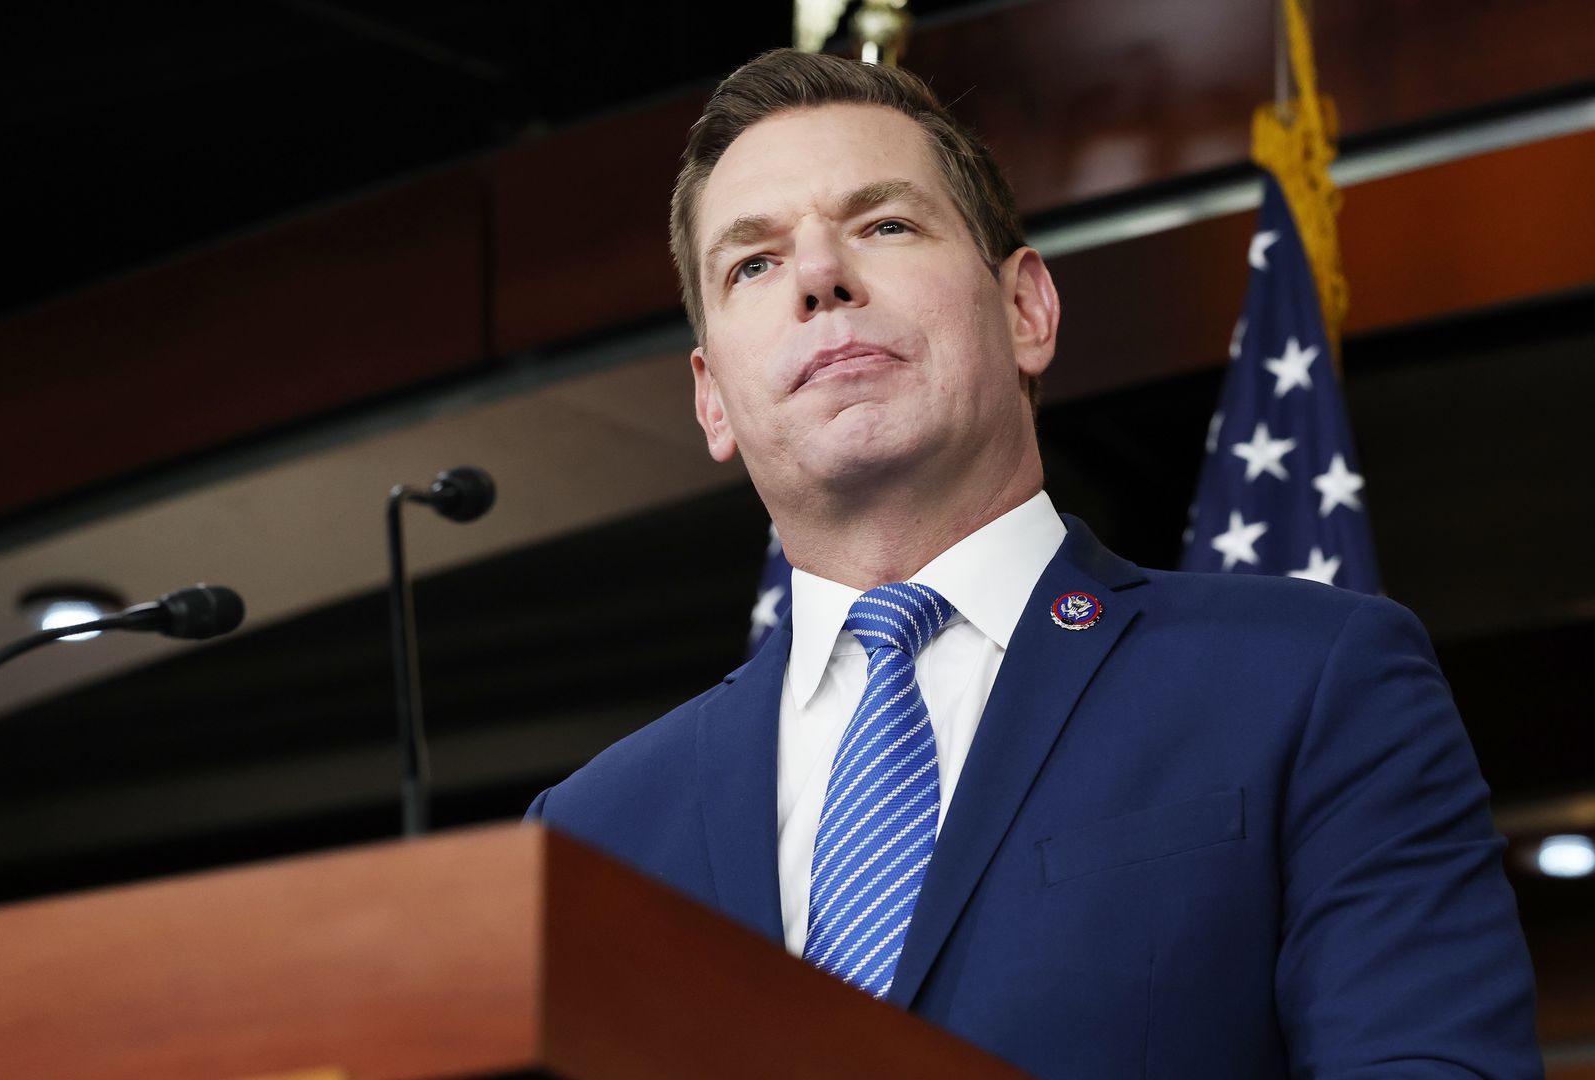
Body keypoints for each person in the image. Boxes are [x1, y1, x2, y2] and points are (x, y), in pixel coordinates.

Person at [528, 49, 1539, 1078]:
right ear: (711, 399)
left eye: (884, 225)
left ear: (1028, 311)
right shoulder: (589, 838)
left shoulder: (1311, 682)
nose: (820, 277)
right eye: (753, 264)